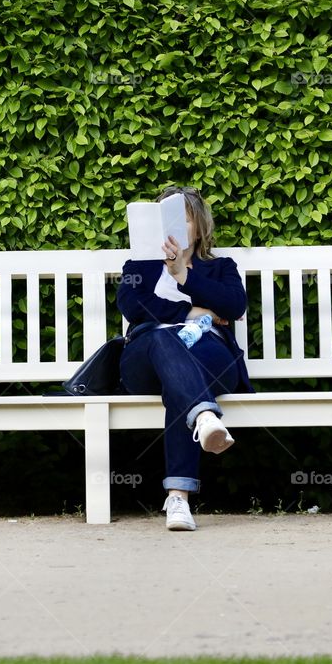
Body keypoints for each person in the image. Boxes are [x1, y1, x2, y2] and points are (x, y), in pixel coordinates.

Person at [117, 186, 253, 531]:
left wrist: (183, 275)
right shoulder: (139, 267)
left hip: (209, 358)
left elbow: (234, 305)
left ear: (199, 227)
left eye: (184, 220)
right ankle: (205, 415)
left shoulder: (220, 267)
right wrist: (192, 311)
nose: (173, 229)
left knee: (182, 383)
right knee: (164, 338)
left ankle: (178, 500)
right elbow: (132, 306)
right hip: (146, 359)